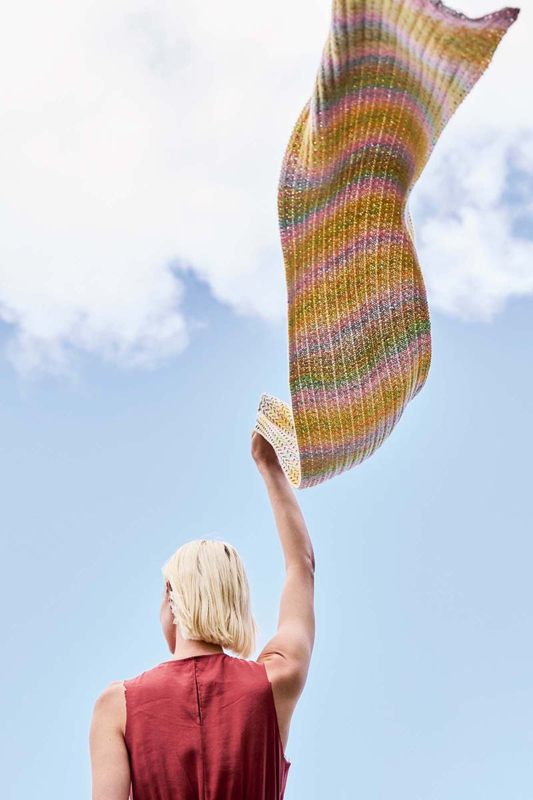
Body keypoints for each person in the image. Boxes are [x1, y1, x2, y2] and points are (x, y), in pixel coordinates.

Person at [89, 431, 315, 800]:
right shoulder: (276, 679)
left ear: (171, 597)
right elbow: (301, 567)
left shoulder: (117, 706)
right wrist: (269, 465)